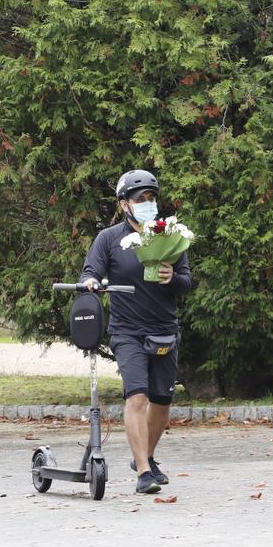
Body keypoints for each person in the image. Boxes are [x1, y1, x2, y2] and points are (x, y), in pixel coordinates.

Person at [79, 169, 192, 494]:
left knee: (162, 400)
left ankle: (147, 456)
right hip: (127, 331)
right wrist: (90, 282)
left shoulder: (169, 236)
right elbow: (91, 271)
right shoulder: (109, 239)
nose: (147, 204)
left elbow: (187, 281)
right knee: (137, 395)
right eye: (140, 199)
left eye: (151, 198)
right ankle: (143, 472)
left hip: (165, 329)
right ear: (124, 205)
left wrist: (173, 277)